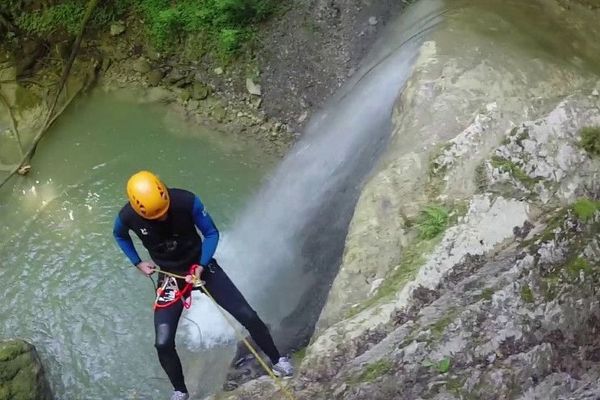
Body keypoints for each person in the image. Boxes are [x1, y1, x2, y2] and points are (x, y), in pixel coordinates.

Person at [112, 170, 293, 400]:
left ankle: (278, 360)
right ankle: (180, 391)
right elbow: (119, 235)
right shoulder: (128, 216)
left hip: (202, 267)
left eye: (164, 212)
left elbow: (211, 233)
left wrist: (200, 265)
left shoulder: (186, 201)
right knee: (163, 342)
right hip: (169, 276)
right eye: (154, 217)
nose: (162, 218)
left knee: (247, 316)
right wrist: (137, 262)